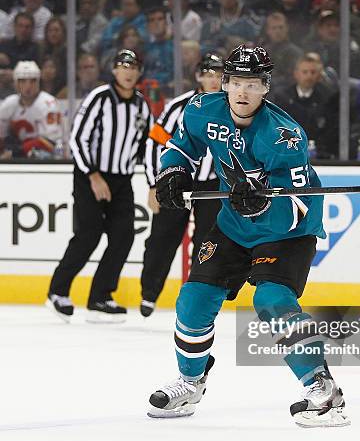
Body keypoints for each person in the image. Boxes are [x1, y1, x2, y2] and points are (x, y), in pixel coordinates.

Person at [147, 45, 350, 429]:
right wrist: (173, 173)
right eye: (236, 82)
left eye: (252, 84)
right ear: (224, 83)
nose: (242, 92)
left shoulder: (284, 136)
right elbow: (180, 148)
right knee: (193, 300)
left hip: (288, 231)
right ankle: (190, 383)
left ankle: (323, 390)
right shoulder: (202, 110)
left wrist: (259, 201)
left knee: (272, 299)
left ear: (266, 87)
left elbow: (297, 208)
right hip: (233, 226)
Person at [46, 50, 154, 322]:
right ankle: (57, 292)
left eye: (134, 66)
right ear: (114, 70)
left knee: (123, 236)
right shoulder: (99, 98)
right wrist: (94, 176)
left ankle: (100, 297)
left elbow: (148, 143)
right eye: (123, 66)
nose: (128, 71)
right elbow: (77, 139)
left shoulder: (142, 105)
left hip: (122, 180)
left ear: (139, 72)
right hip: (90, 176)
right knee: (89, 234)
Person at [140, 53, 224, 318]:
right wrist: (155, 182)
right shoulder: (179, 106)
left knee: (207, 243)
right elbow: (155, 143)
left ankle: (197, 296)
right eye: (209, 74)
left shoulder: (231, 106)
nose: (214, 80)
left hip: (214, 185)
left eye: (219, 75)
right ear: (198, 76)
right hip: (178, 180)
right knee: (162, 239)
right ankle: (149, 294)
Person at [274, 54, 339, 158]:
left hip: (320, 155)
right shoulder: (283, 97)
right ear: (296, 74)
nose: (309, 76)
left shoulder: (328, 97)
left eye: (313, 72)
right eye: (305, 72)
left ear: (319, 76)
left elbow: (331, 132)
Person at [0, 60, 63, 159]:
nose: (28, 86)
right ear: (15, 83)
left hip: (45, 157)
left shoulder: (49, 104)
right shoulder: (8, 104)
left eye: (32, 81)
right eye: (22, 81)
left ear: (38, 82)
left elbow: (50, 142)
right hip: (17, 153)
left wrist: (15, 153)